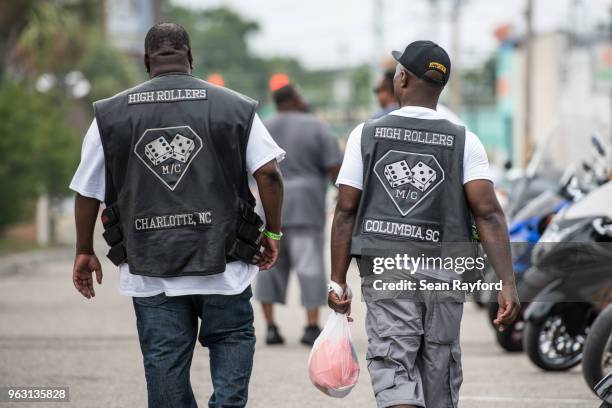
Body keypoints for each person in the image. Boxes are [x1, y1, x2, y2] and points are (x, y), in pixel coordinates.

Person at [69, 23, 286, 408]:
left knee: (163, 363)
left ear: (147, 61)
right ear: (190, 57)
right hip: (226, 267)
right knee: (232, 338)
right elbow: (268, 173)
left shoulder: (110, 115)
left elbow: (88, 190)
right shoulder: (235, 107)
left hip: (150, 270)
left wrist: (83, 249)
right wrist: (273, 234)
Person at [328, 41, 520, 408]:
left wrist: (337, 281)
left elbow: (346, 211)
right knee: (439, 372)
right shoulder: (466, 140)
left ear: (401, 79)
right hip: (446, 272)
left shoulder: (365, 135)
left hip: (387, 271)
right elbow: (489, 213)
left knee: (394, 369)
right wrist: (507, 282)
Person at [254, 83, 343, 346]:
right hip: (307, 205)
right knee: (310, 266)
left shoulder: (262, 126)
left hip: (269, 206)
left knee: (268, 265)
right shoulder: (317, 126)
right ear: (293, 99)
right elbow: (335, 168)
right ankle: (311, 326)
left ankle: (271, 328)